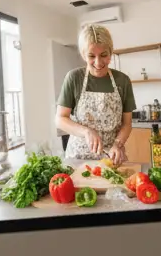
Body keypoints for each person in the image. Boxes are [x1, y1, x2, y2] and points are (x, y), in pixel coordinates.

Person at [56, 25, 134, 164]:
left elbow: (127, 124)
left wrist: (118, 144)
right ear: (83, 54)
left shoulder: (122, 81)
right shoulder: (74, 78)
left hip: (112, 157)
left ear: (111, 52)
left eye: (104, 55)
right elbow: (60, 119)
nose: (98, 63)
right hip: (78, 157)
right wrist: (86, 132)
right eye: (91, 56)